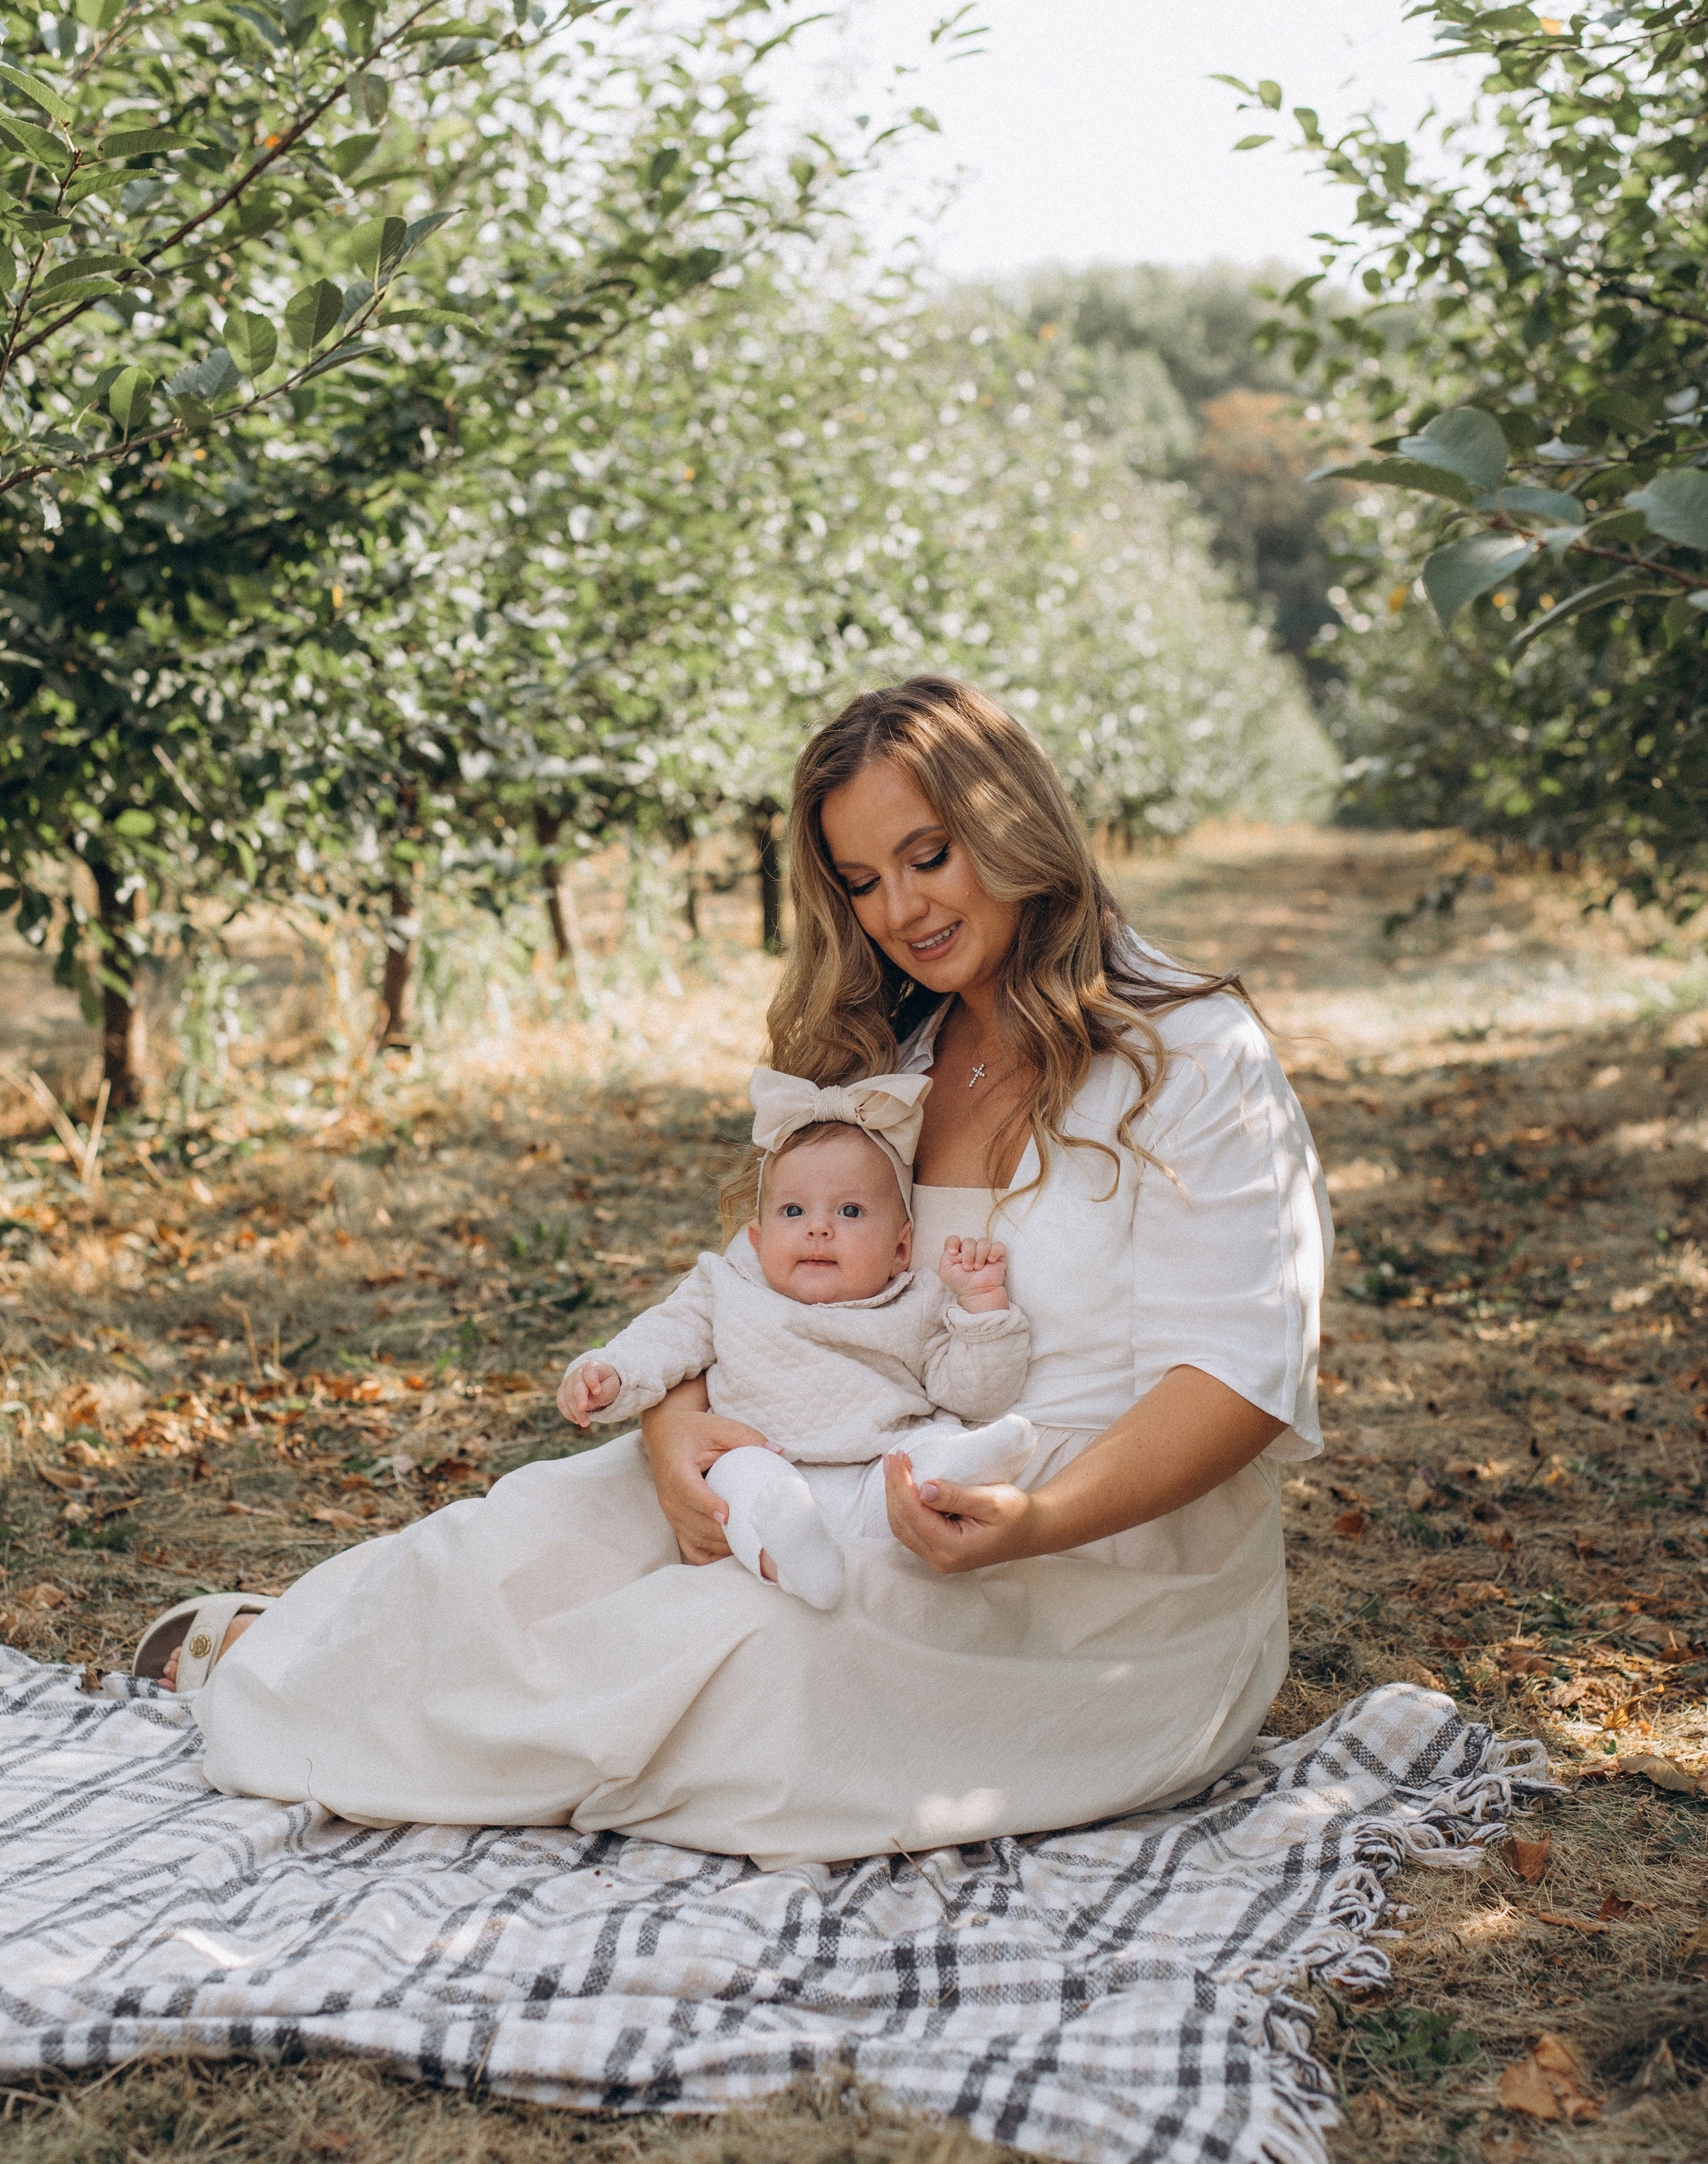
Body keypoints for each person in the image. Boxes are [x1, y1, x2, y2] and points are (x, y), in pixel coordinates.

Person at [164, 675, 1331, 1870]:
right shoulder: (900, 1058)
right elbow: (752, 1283)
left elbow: (1238, 1378)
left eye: (930, 855)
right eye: (864, 882)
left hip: (1095, 1565)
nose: (903, 910)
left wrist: (1034, 1523)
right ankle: (288, 1654)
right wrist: (678, 1427)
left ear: (1011, 819)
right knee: (533, 1530)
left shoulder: (1187, 1053)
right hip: (839, 1452)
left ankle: (369, 1709)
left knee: (750, 1648)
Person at [558, 1071, 1035, 1609]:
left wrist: (982, 1307)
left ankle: (953, 1471)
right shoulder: (730, 1285)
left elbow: (972, 1395)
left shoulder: (918, 1300)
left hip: (880, 1469)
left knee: (922, 1453)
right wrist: (613, 1372)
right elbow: (667, 1336)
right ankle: (794, 1554)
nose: (819, 1228)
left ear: (901, 1249)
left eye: (850, 1211)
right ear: (756, 1243)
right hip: (766, 1455)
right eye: (793, 1211)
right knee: (743, 1480)